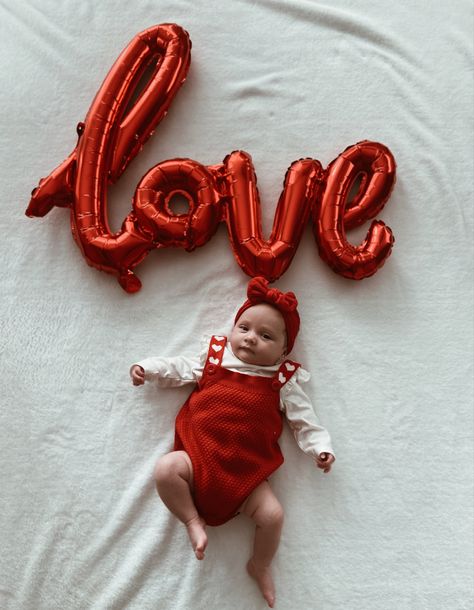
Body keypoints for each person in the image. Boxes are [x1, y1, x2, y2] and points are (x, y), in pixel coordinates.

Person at [130, 277, 335, 608]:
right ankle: (192, 520)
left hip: (246, 478)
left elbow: (304, 420)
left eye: (266, 336)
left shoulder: (282, 381)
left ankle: (259, 564)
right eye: (244, 328)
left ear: (283, 350)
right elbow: (178, 369)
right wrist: (148, 368)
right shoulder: (213, 358)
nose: (252, 338)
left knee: (272, 516)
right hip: (196, 462)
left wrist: (321, 448)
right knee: (166, 469)